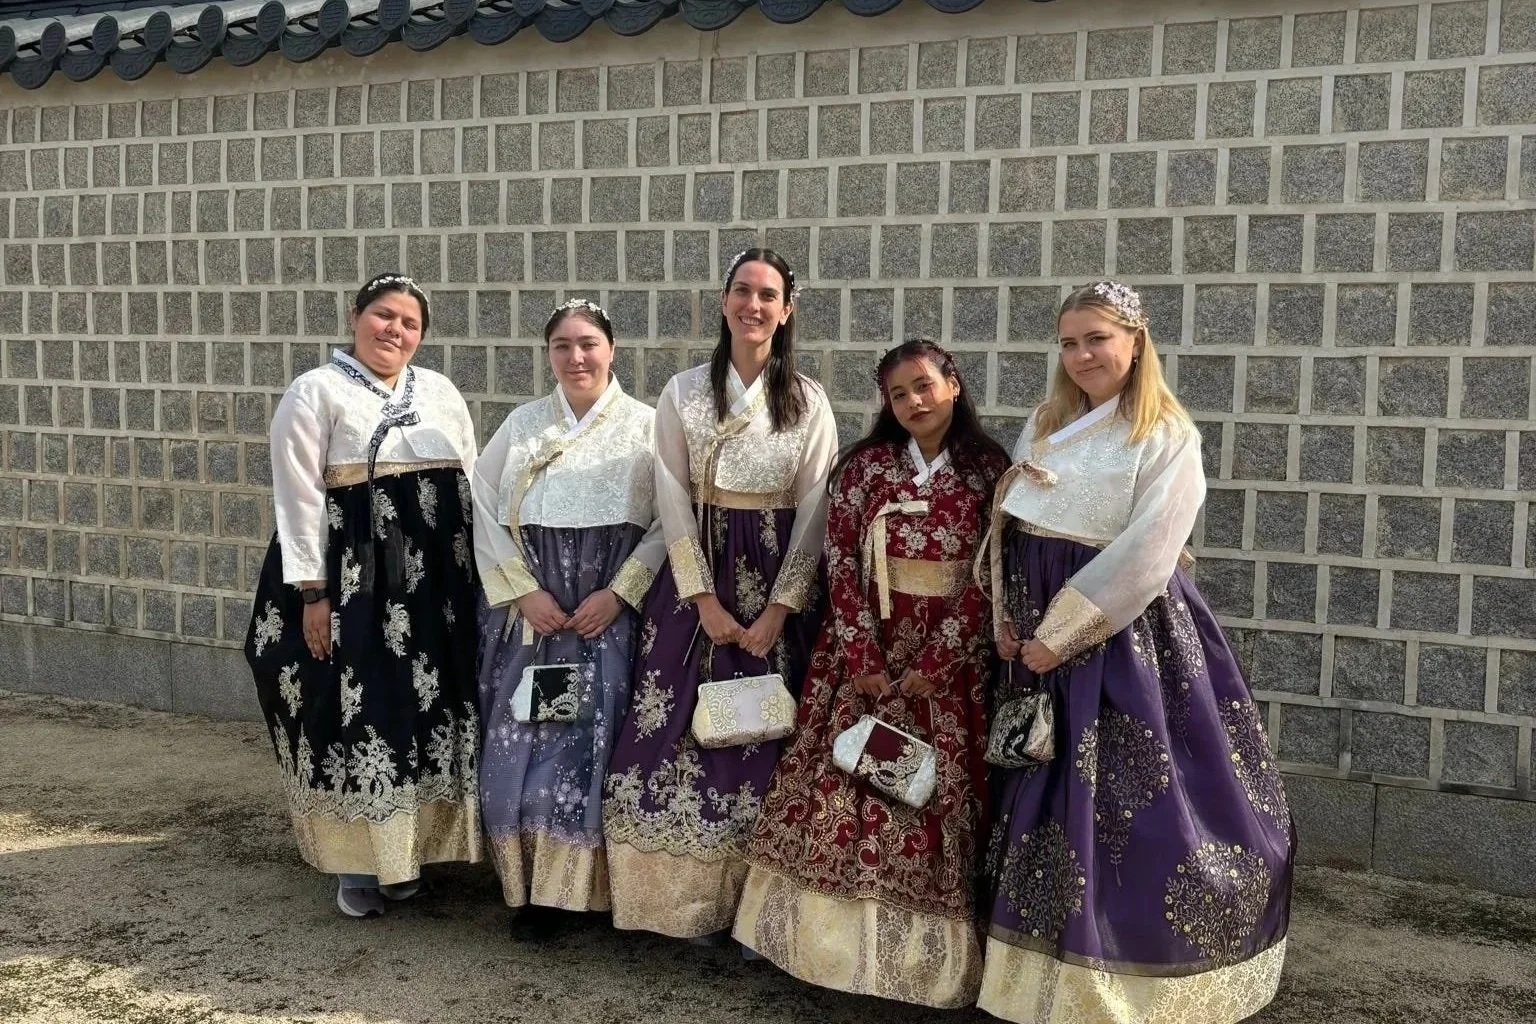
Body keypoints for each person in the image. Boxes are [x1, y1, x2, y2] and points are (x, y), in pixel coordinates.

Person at [977, 282, 1294, 1023]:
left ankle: (1125, 980)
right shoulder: (1047, 423)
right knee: (1038, 789)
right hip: (1031, 632)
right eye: (1069, 342)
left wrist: (1060, 636)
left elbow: (1150, 553)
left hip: (1123, 638)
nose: (1083, 354)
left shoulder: (1166, 434)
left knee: (1126, 805)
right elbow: (1008, 525)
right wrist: (1007, 620)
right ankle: (1029, 977)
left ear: (1135, 342)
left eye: (1097, 339)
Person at [734, 339, 1009, 1007]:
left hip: (948, 667)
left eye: (924, 386)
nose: (914, 401)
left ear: (954, 383)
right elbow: (840, 566)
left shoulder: (989, 470)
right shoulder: (862, 468)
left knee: (929, 802)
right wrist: (862, 660)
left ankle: (923, 966)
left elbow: (989, 575)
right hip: (864, 658)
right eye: (898, 393)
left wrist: (936, 662)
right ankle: (822, 948)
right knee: (839, 793)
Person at [603, 248, 837, 943]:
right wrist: (700, 598)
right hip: (696, 570)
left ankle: (757, 913)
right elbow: (672, 497)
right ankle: (676, 901)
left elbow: (817, 506)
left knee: (766, 730)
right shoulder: (682, 393)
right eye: (743, 291)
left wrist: (779, 609)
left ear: (787, 309)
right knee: (669, 725)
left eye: (768, 295)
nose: (754, 305)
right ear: (723, 299)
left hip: (775, 572)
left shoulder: (810, 400)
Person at [244, 273, 483, 918]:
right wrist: (312, 593)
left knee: (423, 705)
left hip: (433, 581)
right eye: (383, 316)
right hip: (353, 581)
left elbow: (471, 486)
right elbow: (296, 499)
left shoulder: (439, 392)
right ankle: (356, 860)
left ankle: (409, 855)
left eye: (409, 324)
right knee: (356, 702)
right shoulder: (314, 392)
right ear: (355, 317)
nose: (394, 331)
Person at [471, 298, 663, 928]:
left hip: (604, 612)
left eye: (588, 344)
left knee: (593, 744)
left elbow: (671, 522)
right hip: (534, 614)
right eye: (562, 346)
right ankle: (530, 889)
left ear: (612, 349)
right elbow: (480, 503)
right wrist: (523, 590)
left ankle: (586, 890)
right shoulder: (525, 425)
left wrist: (621, 591)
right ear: (548, 354)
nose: (576, 357)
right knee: (521, 740)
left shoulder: (646, 425)